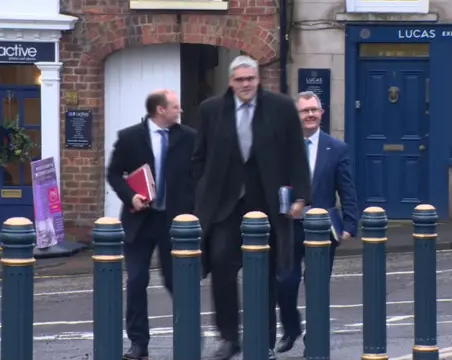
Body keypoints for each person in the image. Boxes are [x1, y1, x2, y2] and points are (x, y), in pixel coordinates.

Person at [192, 55, 311, 360]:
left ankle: (265, 340)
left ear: (258, 80)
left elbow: (297, 153)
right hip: (225, 206)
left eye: (250, 79)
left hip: (267, 204)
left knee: (267, 274)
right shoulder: (211, 109)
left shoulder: (282, 107)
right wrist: (202, 191)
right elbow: (199, 157)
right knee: (221, 265)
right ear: (230, 82)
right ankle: (229, 337)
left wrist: (300, 196)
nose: (245, 85)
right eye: (239, 80)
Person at [106, 89, 196, 360]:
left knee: (178, 282)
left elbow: (199, 175)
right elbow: (113, 174)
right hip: (140, 221)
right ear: (160, 110)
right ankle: (138, 343)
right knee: (136, 281)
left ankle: (189, 337)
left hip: (174, 222)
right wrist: (129, 196)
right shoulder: (129, 137)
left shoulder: (190, 137)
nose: (180, 111)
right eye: (175, 107)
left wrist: (194, 210)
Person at [275, 91, 359, 354]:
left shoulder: (337, 148)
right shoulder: (283, 148)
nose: (310, 114)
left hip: (322, 228)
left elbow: (347, 188)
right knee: (285, 283)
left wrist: (350, 223)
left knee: (317, 285)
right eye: (305, 110)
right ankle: (291, 329)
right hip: (290, 227)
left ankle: (315, 337)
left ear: (322, 113)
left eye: (314, 110)